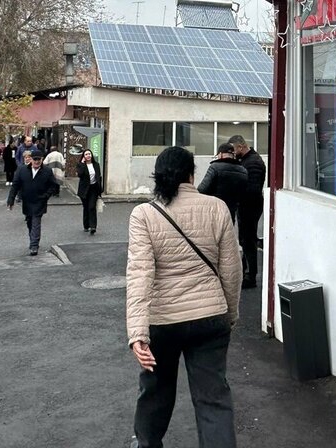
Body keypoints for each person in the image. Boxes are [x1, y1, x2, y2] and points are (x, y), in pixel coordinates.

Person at [126, 146, 241, 448]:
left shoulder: (144, 214)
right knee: (213, 399)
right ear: (192, 174)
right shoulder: (217, 208)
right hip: (210, 318)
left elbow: (140, 274)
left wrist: (137, 333)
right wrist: (229, 314)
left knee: (155, 392)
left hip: (163, 322)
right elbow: (231, 269)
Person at [7, 148, 60, 256]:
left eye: (39, 159)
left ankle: (34, 245)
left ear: (42, 159)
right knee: (30, 222)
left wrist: (46, 196)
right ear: (30, 159)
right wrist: (11, 200)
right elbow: (15, 185)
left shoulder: (47, 171)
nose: (36, 162)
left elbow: (53, 185)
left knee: (36, 222)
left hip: (40, 201)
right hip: (27, 200)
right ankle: (33, 239)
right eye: (34, 159)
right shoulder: (22, 170)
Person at [229, 135, 265, 289]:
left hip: (250, 206)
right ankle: (245, 273)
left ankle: (250, 277)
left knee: (249, 241)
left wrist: (237, 192)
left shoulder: (253, 163)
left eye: (234, 149)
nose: (233, 152)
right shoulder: (248, 160)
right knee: (245, 240)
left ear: (241, 147)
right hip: (247, 205)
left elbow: (253, 189)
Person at [197, 142, 248, 222]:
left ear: (220, 154)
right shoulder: (243, 171)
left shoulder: (215, 167)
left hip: (214, 211)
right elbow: (244, 194)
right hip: (231, 213)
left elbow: (202, 189)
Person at [76, 149, 103, 234]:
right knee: (86, 207)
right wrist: (83, 164)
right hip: (84, 189)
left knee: (92, 207)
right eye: (86, 154)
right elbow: (80, 174)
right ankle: (86, 225)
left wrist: (100, 189)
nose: (88, 155)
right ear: (83, 156)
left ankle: (93, 226)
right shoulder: (80, 165)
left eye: (89, 154)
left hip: (93, 188)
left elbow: (99, 176)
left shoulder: (96, 165)